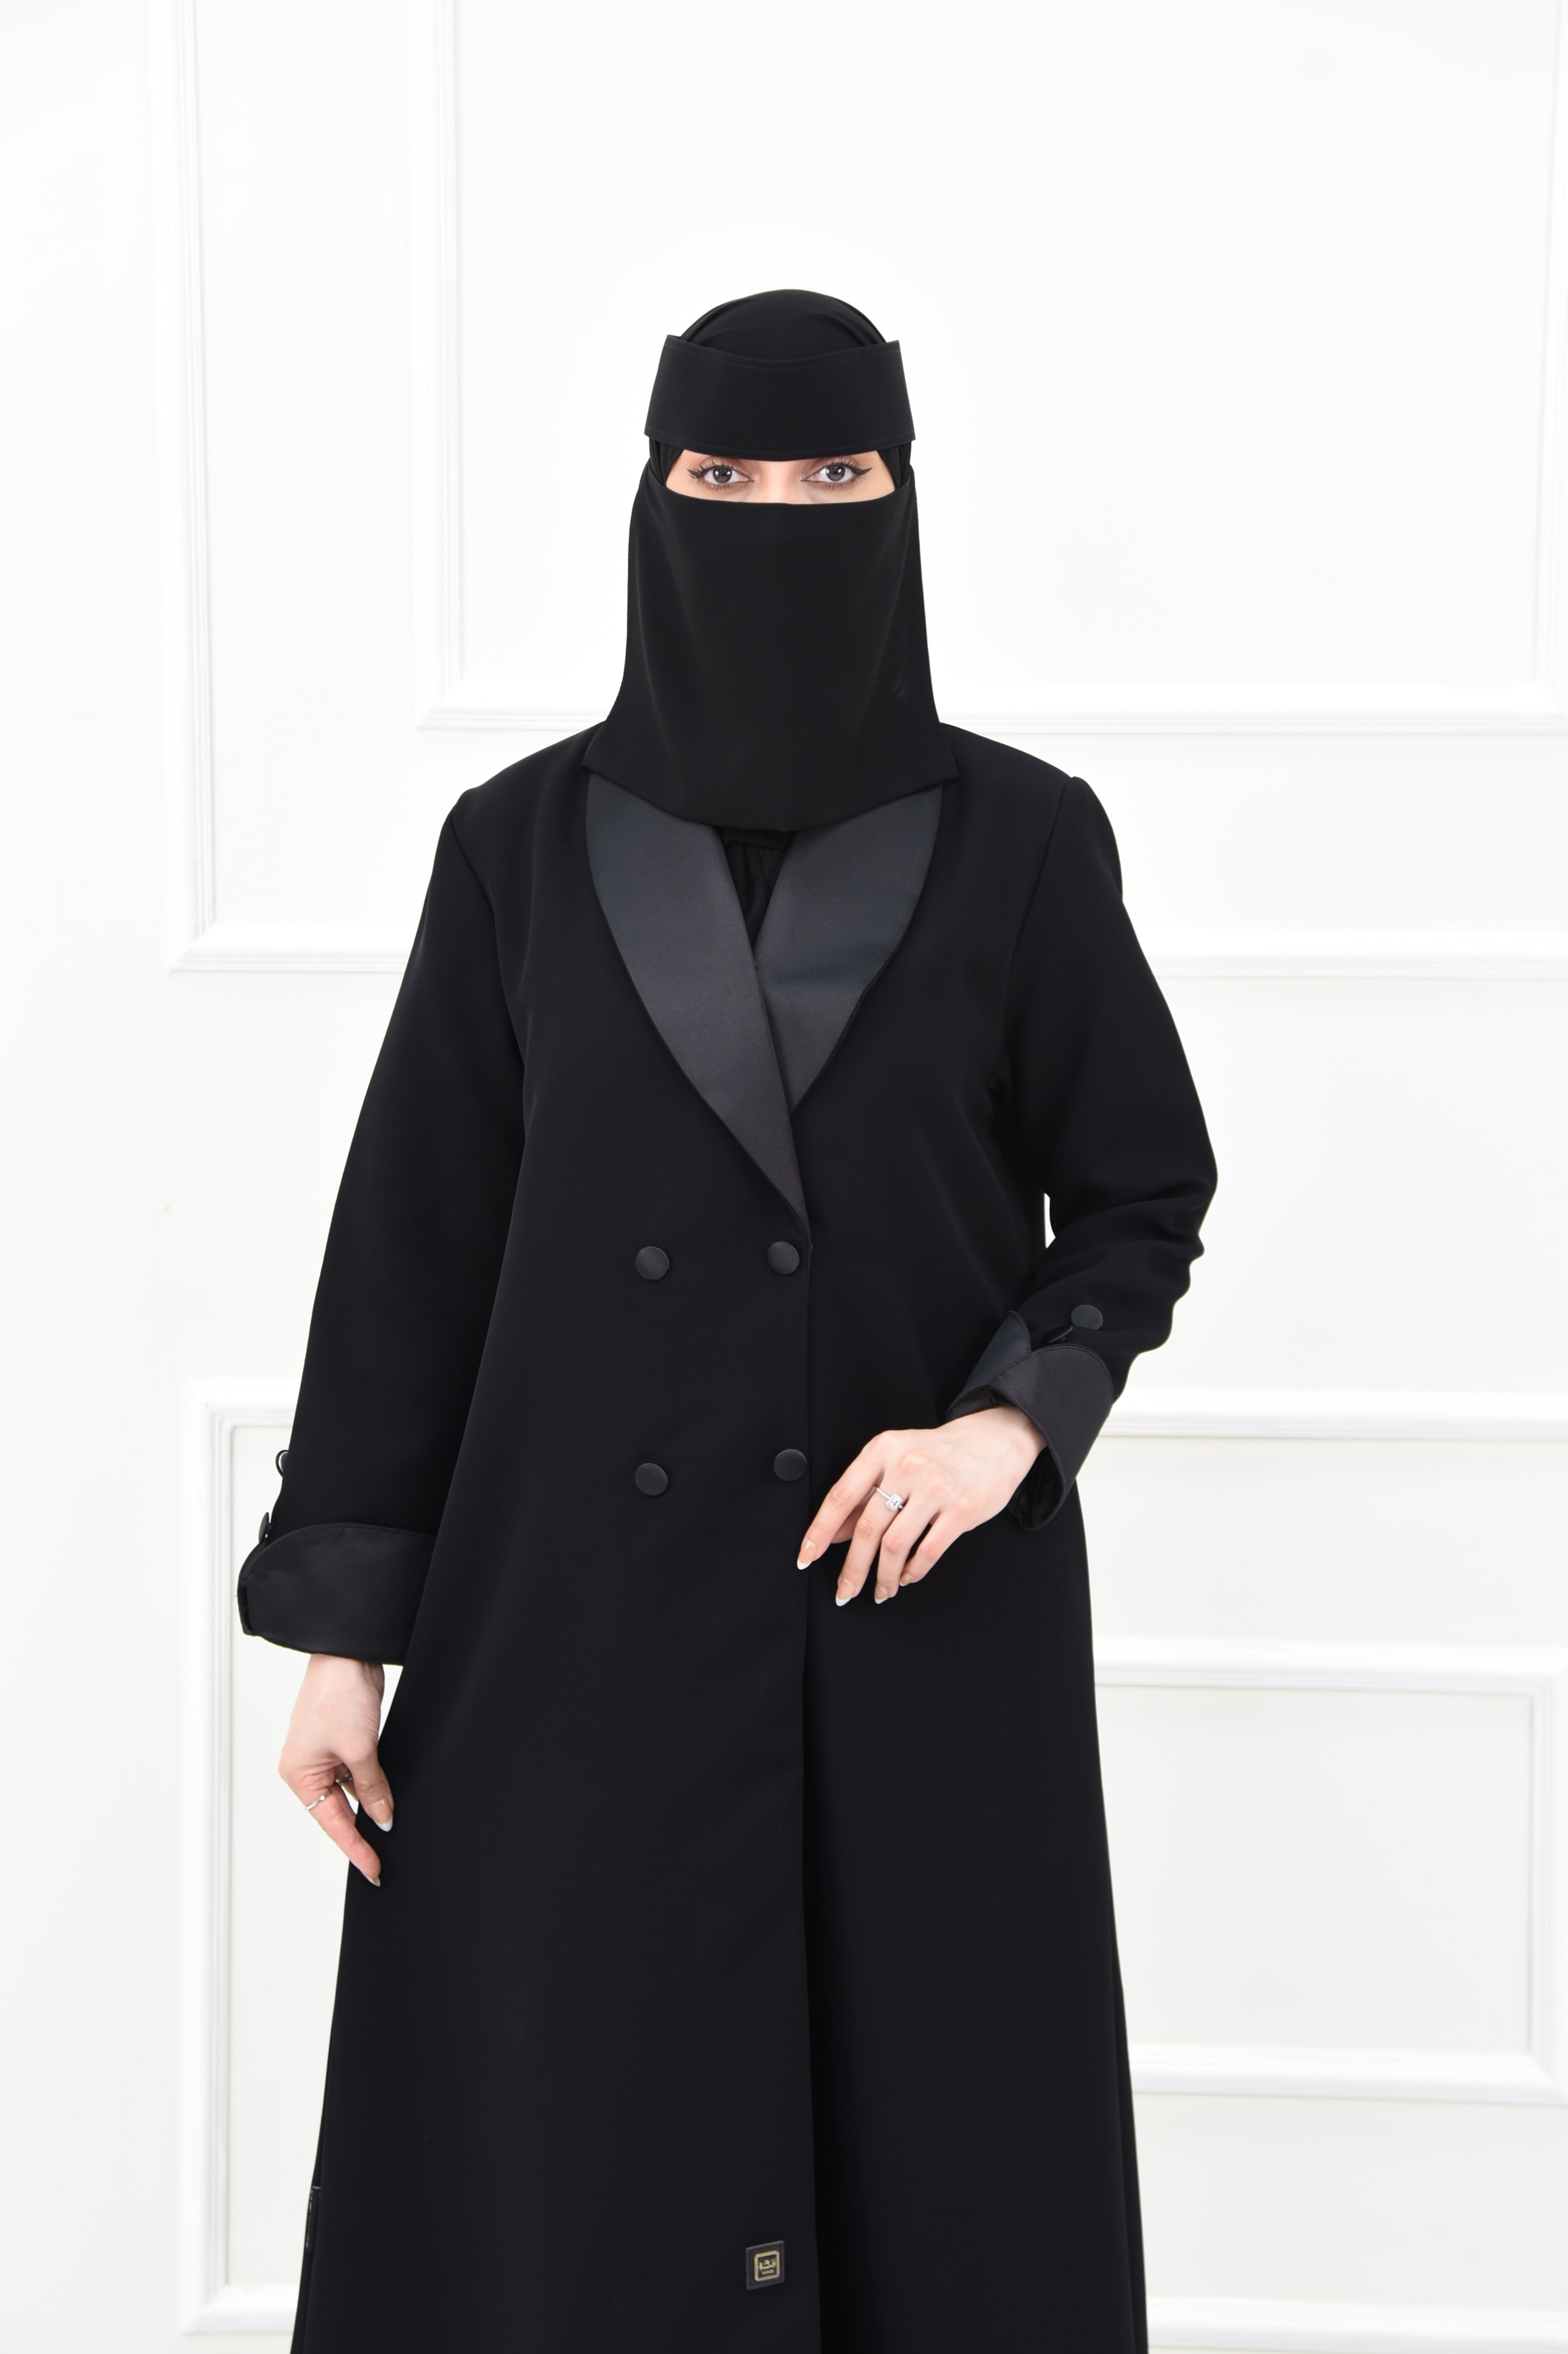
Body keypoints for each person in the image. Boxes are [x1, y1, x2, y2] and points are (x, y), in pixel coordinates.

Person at [240, 288, 1216, 2354]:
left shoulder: (1025, 838)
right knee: (580, 2159)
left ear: (904, 497)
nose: (775, 512)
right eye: (726, 470)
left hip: (911, 1611)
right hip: (571, 1633)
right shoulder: (516, 848)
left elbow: (1142, 1194)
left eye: (832, 470)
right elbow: (412, 1256)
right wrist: (346, 1638)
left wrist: (1004, 1427)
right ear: (654, 494)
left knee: (937, 2150)